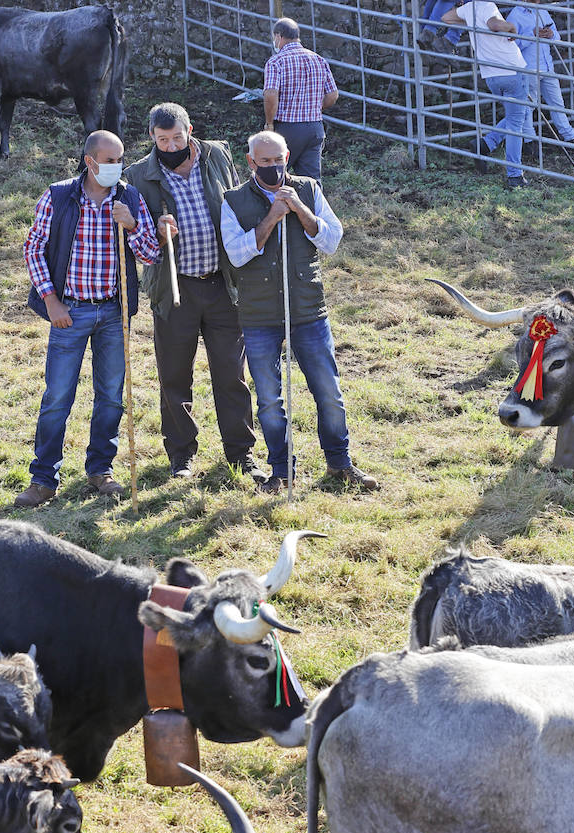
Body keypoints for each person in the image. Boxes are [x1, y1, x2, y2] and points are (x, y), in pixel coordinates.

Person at [219, 131, 378, 493]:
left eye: (279, 160)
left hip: (309, 310)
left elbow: (332, 240)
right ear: (251, 162)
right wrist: (272, 216)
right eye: (265, 162)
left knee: (329, 391)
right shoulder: (234, 201)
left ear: (287, 155)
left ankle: (340, 462)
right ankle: (281, 471)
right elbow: (237, 254)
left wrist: (300, 211)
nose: (274, 168)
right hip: (259, 316)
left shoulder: (308, 189)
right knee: (271, 400)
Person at [16, 130, 161, 508]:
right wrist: (51, 301)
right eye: (110, 161)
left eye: (120, 160)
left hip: (114, 312)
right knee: (58, 396)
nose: (117, 167)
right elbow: (34, 249)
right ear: (90, 161)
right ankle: (44, 479)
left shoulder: (128, 198)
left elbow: (150, 255)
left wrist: (131, 226)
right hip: (70, 310)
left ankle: (101, 469)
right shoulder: (60, 195)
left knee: (111, 397)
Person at [123, 103, 267, 484]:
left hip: (224, 285)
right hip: (174, 288)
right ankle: (181, 455)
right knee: (174, 375)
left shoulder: (217, 154)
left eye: (177, 137)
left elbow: (238, 203)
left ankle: (242, 454)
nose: (170, 146)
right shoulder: (137, 175)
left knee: (231, 374)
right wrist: (154, 226)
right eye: (162, 139)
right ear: (152, 137)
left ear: (190, 130)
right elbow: (133, 233)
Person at [443, 1, 531, 188]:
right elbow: (495, 25)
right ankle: (514, 175)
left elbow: (446, 17)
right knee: (516, 123)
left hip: (491, 75)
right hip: (511, 71)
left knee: (518, 115)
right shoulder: (487, 6)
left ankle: (486, 144)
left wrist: (471, 24)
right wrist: (511, 27)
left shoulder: (469, 9)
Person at [263, 18, 339, 180]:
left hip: (287, 128)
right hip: (315, 127)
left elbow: (270, 94)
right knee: (311, 181)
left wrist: (269, 123)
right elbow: (332, 95)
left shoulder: (276, 62)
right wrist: (315, 109)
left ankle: (274, 205)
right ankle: (312, 205)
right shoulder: (319, 60)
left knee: (273, 177)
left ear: (279, 36)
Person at [506, 0, 574, 146]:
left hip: (547, 66)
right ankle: (529, 141)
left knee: (557, 102)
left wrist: (551, 34)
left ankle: (570, 136)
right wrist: (531, 35)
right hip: (529, 67)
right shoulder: (515, 15)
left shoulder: (542, 11)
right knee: (529, 105)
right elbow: (510, 45)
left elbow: (557, 36)